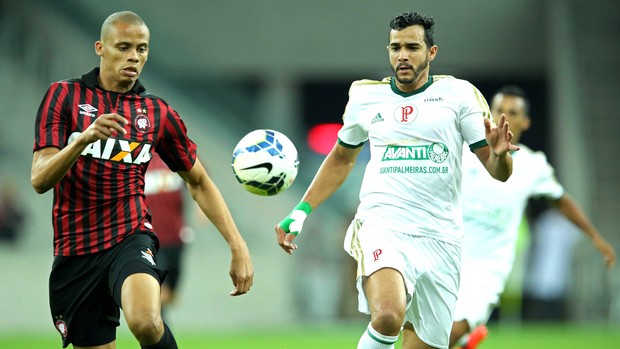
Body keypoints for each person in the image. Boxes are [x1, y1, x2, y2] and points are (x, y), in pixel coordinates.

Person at [275, 11, 518, 349]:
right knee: (388, 316)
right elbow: (342, 158)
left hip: (440, 237)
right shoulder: (364, 96)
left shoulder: (460, 95)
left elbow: (498, 172)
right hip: (383, 224)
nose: (402, 55)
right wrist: (300, 210)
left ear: (431, 53)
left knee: (426, 343)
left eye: (412, 47)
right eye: (395, 47)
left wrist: (501, 154)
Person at [31, 11, 253, 349]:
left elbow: (199, 182)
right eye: (123, 47)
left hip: (130, 236)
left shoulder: (156, 113)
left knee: (147, 321)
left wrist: (237, 245)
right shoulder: (63, 96)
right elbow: (39, 179)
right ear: (100, 48)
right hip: (76, 249)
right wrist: (81, 140)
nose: (134, 56)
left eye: (142, 49)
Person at [450, 85, 616, 349]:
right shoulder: (463, 153)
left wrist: (596, 238)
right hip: (447, 258)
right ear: (488, 114)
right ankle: (466, 343)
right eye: (499, 110)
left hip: (487, 268)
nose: (504, 117)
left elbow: (561, 201)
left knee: (445, 334)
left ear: (525, 121)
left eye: (512, 112)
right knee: (418, 333)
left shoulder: (533, 165)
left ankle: (462, 339)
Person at [144, 152, 195, 318]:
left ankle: (157, 323)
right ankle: (159, 332)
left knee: (170, 295)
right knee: (159, 292)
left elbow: (200, 180)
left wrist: (201, 207)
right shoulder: (137, 158)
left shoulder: (174, 155)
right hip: (150, 238)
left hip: (176, 237)